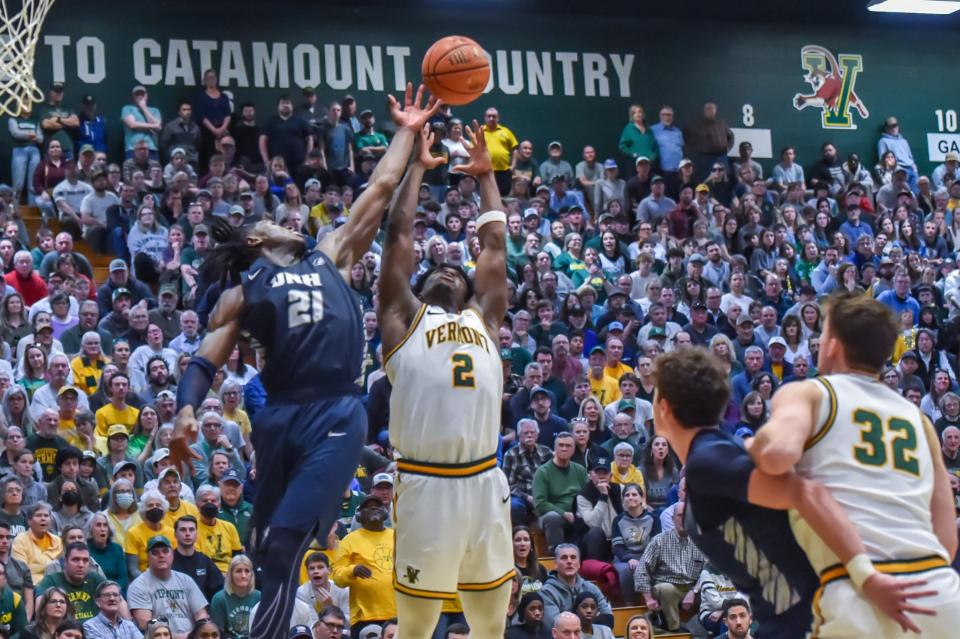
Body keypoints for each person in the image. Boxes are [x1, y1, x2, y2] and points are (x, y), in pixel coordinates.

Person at [171, 84, 438, 639]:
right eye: (272, 220)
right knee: (265, 544)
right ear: (255, 239)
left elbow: (382, 184)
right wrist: (185, 411)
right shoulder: (245, 290)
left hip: (339, 413)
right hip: (279, 416)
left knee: (289, 543)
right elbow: (204, 356)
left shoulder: (332, 254)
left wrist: (407, 131)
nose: (287, 219)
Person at [751, 294, 960, 636]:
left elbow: (776, 456)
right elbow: (947, 540)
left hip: (859, 590)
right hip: (937, 594)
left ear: (832, 346)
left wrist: (752, 443)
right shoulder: (918, 419)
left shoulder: (810, 393)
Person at [377, 117, 512, 639]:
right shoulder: (402, 318)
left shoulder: (487, 319)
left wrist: (485, 177)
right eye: (437, 269)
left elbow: (495, 247)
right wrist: (417, 166)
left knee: (489, 622)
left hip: (484, 481)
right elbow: (399, 233)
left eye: (458, 269)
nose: (449, 268)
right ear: (418, 285)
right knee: (416, 627)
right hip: (425, 483)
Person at [330, 495, 396, 637]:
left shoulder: (396, 536)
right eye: (368, 506)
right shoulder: (349, 540)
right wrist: (352, 570)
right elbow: (336, 577)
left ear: (385, 513)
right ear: (359, 515)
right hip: (366, 617)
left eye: (377, 506)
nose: (373, 508)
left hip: (398, 616)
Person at [127, 535, 208, 638]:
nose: (161, 555)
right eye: (155, 553)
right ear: (148, 557)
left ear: (172, 555)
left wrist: (199, 632)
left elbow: (201, 614)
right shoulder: (138, 586)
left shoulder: (186, 580)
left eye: (165, 551)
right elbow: (146, 624)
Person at [538, 544, 612, 628]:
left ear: (579, 564)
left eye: (573, 557)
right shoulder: (547, 592)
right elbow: (555, 626)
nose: (569, 561)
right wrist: (591, 618)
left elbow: (609, 620)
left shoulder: (591, 588)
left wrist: (568, 618)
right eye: (564, 558)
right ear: (555, 564)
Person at [35, 543, 104, 622]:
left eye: (85, 560)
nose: (81, 565)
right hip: (64, 631)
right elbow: (40, 611)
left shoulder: (96, 579)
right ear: (65, 562)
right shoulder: (51, 581)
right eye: (75, 559)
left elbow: (118, 602)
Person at [172, 515, 224, 602]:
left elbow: (218, 591)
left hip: (202, 611)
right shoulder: (168, 560)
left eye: (191, 530)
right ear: (175, 534)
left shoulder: (205, 561)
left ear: (196, 534)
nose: (187, 533)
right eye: (183, 530)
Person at [210, 554, 260, 639]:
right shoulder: (219, 599)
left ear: (252, 575)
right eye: (238, 571)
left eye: (247, 571)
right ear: (230, 575)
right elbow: (218, 633)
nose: (243, 575)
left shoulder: (259, 597)